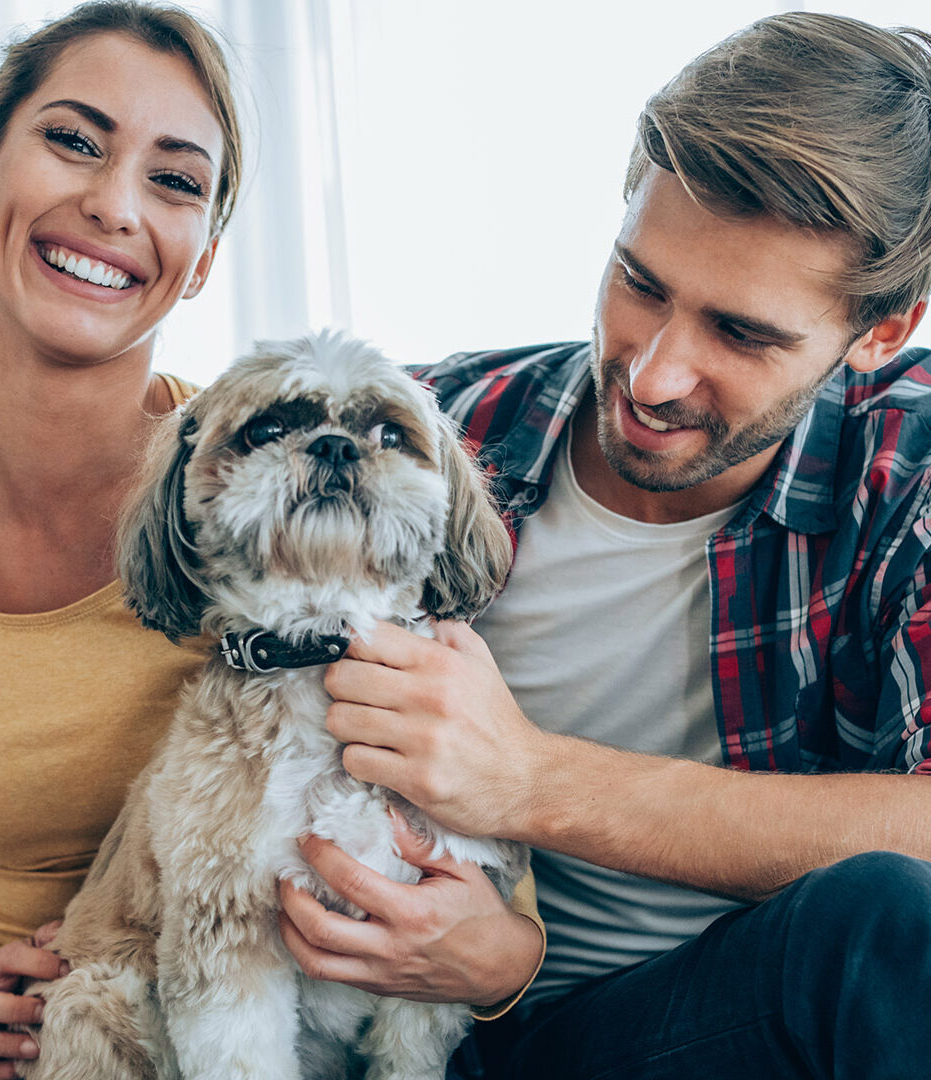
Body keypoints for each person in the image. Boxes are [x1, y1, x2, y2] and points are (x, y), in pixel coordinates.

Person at [0, 4, 542, 1079]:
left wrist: (502, 957)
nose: (115, 204)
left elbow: (474, 810)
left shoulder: (314, 519)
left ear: (206, 255)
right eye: (74, 140)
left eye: (174, 180)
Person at [279, 12, 931, 1079]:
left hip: (731, 1031)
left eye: (742, 333)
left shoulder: (907, 466)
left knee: (889, 925)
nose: (654, 373)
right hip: (434, 1037)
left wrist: (530, 780)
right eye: (640, 283)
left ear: (881, 331)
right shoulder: (432, 433)